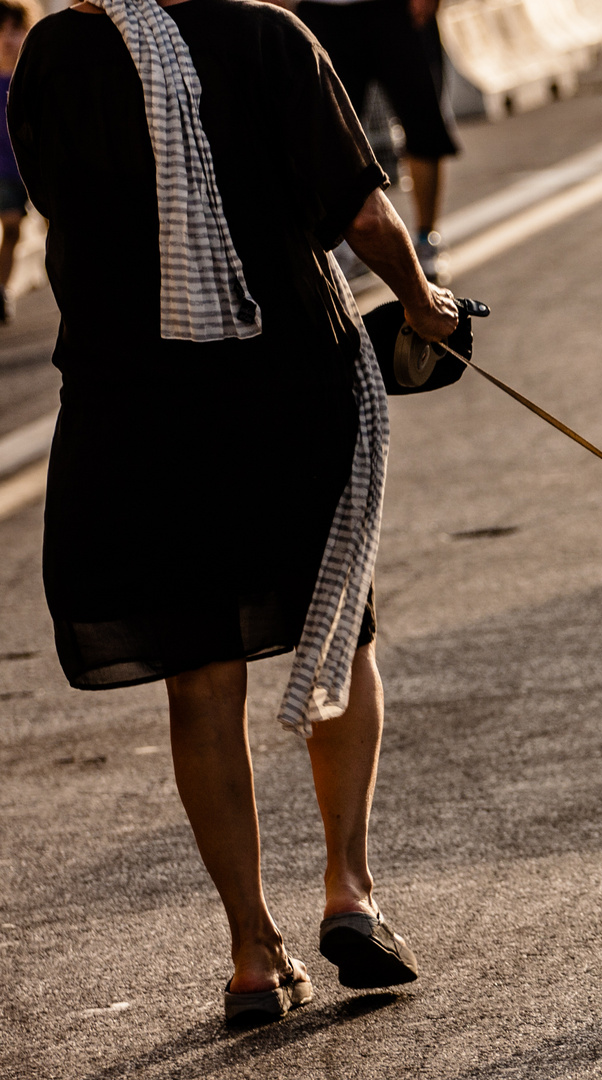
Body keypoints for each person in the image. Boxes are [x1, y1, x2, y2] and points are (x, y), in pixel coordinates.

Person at [8, 0, 458, 1022]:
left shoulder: (56, 51)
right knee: (340, 635)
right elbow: (361, 211)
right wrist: (423, 301)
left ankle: (252, 951)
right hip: (281, 387)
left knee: (199, 682)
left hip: (133, 404)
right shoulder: (267, 34)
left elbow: (54, 203)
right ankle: (349, 889)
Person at [295, 0, 458, 281]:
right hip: (322, 9)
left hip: (396, 9)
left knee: (424, 126)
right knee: (324, 138)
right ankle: (343, 248)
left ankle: (426, 240)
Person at [0, 0, 38, 322]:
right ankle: (2, 291)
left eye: (14, 30)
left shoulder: (34, 74)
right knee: (11, 224)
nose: (6, 39)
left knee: (20, 231)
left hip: (34, 168)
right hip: (3, 170)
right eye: (0, 32)